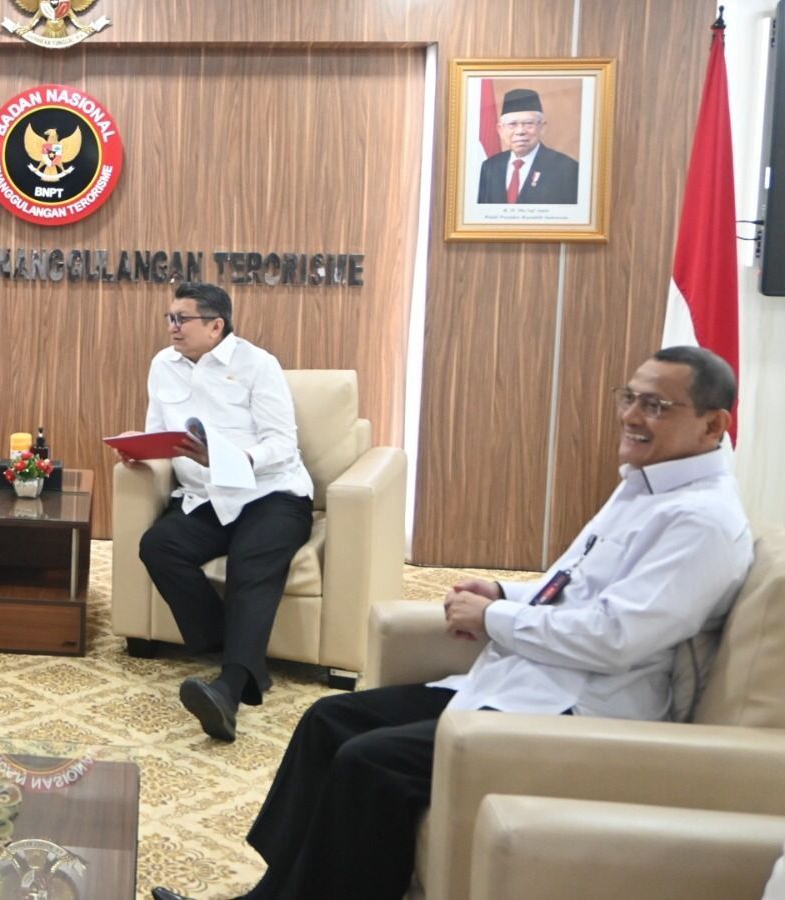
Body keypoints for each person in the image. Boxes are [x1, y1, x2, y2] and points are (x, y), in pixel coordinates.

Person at [151, 346, 753, 900]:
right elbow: (572, 587)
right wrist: (503, 591)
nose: (632, 416)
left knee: (369, 763)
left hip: (577, 716)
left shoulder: (699, 523)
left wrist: (495, 617)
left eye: (656, 406)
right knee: (327, 720)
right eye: (630, 398)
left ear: (713, 425)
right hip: (526, 684)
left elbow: (615, 638)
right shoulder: (643, 486)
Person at [115, 282, 315, 742]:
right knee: (159, 546)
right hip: (205, 498)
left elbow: (282, 445)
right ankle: (235, 651)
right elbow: (160, 434)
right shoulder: (163, 365)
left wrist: (229, 459)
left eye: (181, 319)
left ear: (215, 326)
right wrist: (140, 452)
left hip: (271, 494)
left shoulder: (258, 365)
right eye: (170, 318)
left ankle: (229, 690)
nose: (172, 327)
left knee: (249, 561)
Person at [476, 88, 580, 205]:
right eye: (512, 124)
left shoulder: (567, 169)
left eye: (528, 124)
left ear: (542, 127)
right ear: (500, 130)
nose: (520, 131)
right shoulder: (489, 167)